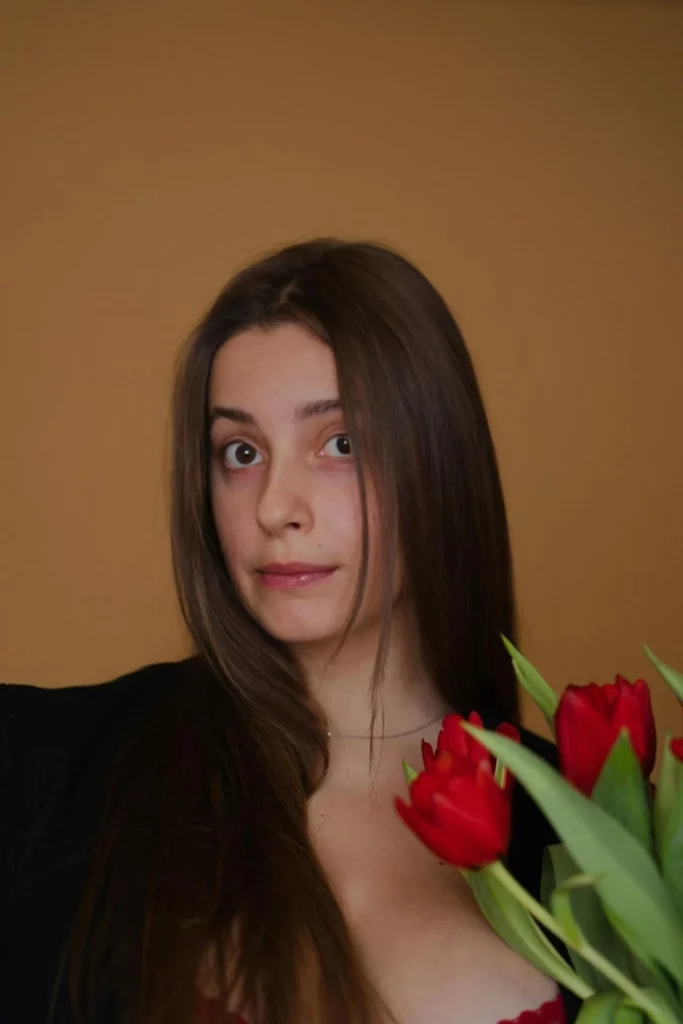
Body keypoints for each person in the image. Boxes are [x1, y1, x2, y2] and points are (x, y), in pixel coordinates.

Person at [1, 239, 577, 1024]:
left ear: (438, 461)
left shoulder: (598, 841)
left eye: (339, 444)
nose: (274, 506)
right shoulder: (46, 766)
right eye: (239, 452)